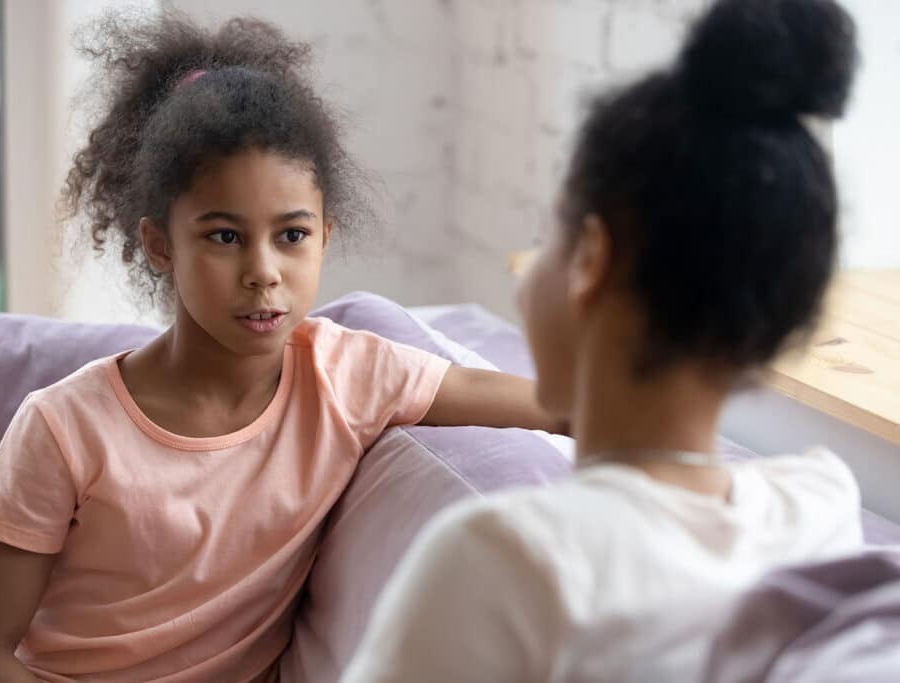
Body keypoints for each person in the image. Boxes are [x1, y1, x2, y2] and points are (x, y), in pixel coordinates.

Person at [0, 11, 560, 683]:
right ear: (160, 244)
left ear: (325, 235)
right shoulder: (63, 429)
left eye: (292, 235)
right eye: (225, 236)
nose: (263, 271)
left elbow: (536, 400)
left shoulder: (345, 376)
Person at [342, 0, 864, 681]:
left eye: (549, 236)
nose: (525, 283)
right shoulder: (820, 507)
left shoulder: (508, 562)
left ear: (590, 258)